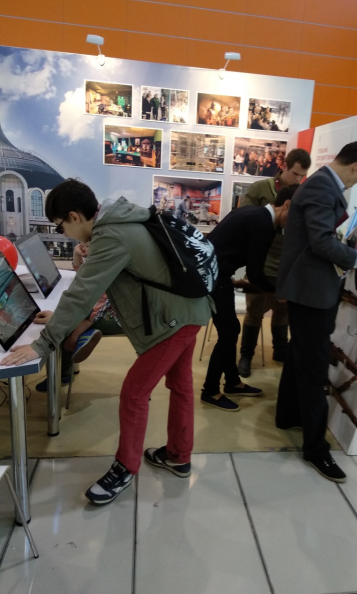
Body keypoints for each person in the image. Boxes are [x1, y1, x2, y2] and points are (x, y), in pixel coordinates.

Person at [1, 178, 211, 505]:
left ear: (74, 216)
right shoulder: (121, 221)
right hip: (190, 308)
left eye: (61, 227)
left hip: (173, 321)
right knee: (180, 384)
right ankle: (178, 456)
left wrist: (42, 345)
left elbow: (82, 294)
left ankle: (125, 468)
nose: (64, 234)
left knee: (134, 393)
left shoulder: (111, 235)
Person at [276, 142, 357, 483]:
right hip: (312, 291)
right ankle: (316, 449)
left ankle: (288, 415)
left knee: (299, 355)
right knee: (314, 366)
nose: (354, 183)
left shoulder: (319, 183)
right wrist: (356, 257)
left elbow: (318, 237)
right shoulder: (322, 186)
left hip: (310, 288)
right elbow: (321, 241)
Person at [201, 184, 297, 412]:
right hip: (214, 277)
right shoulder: (263, 225)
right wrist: (278, 293)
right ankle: (210, 390)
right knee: (229, 333)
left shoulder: (252, 213)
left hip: (213, 274)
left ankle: (232, 382)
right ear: (287, 205)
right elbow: (255, 274)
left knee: (230, 330)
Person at [237, 148, 311, 378]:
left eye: (302, 176)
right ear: (285, 166)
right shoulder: (262, 188)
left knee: (283, 312)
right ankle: (246, 355)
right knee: (254, 312)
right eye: (295, 174)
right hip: (263, 263)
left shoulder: (302, 194)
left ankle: (280, 350)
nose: (298, 179)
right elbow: (244, 216)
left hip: (288, 266)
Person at [34, 241, 123, 392]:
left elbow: (96, 307)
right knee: (68, 317)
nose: (84, 248)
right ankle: (82, 339)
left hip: (120, 317)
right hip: (110, 310)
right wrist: (77, 256)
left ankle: (63, 375)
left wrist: (74, 331)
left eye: (87, 245)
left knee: (66, 327)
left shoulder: (108, 264)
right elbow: (85, 277)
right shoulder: (105, 258)